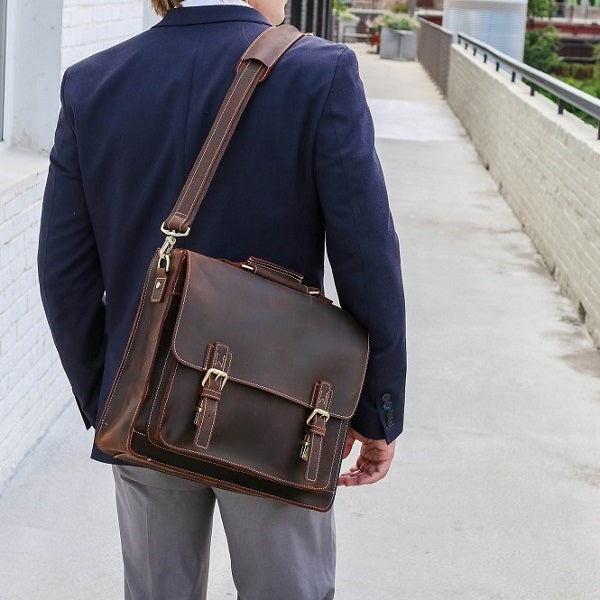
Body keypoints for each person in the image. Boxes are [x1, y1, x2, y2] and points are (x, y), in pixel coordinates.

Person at [38, 0, 406, 598]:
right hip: (283, 418)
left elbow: (63, 273)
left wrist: (113, 397)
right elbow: (368, 258)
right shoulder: (318, 74)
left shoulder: (93, 83)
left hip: (142, 407)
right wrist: (375, 408)